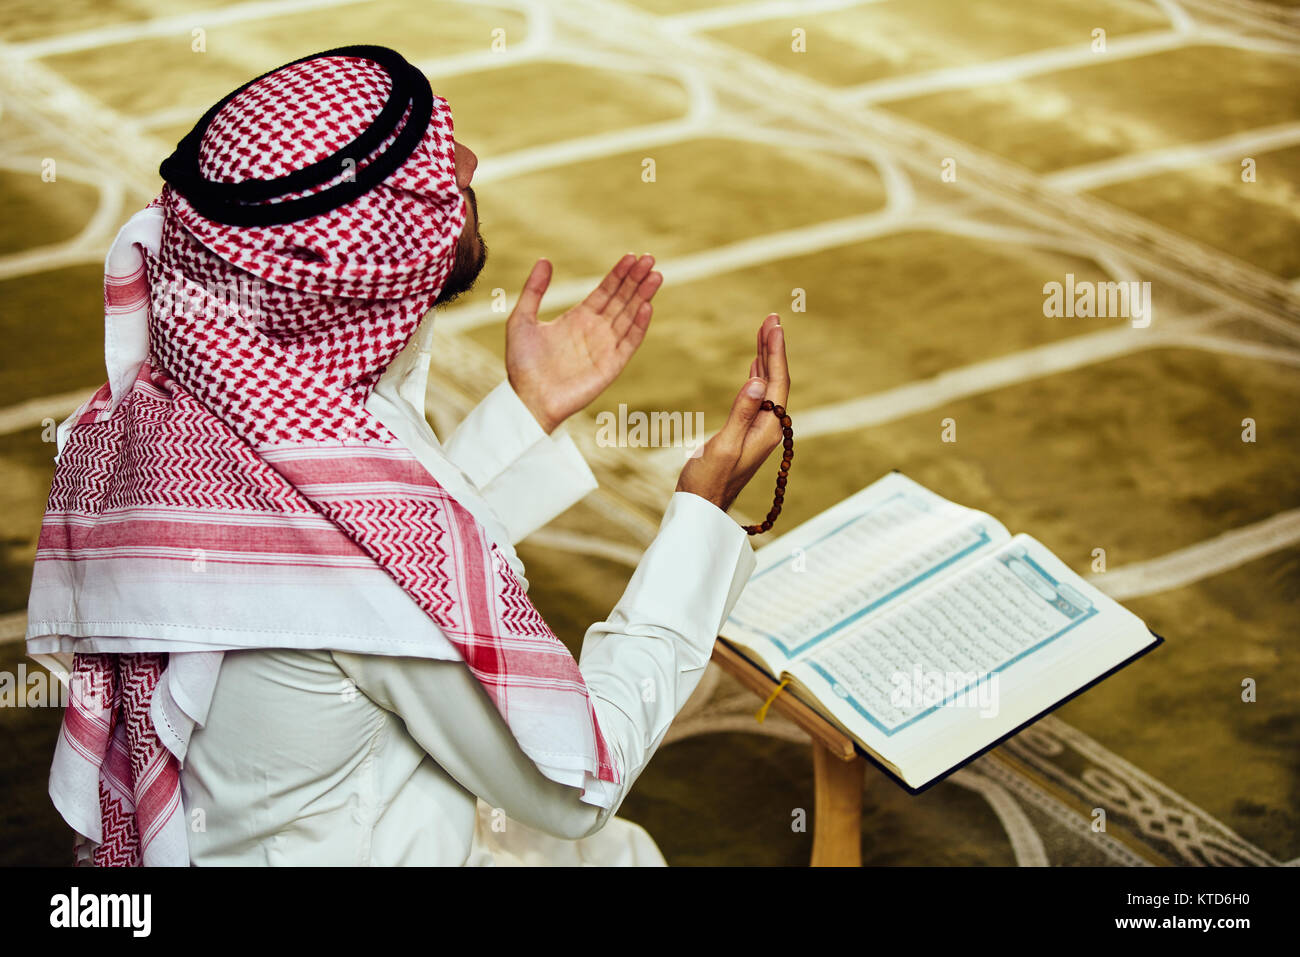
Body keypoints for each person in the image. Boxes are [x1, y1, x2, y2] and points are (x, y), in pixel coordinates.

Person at [26, 45, 790, 866]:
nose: (467, 163)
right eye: (434, 174)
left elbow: (390, 531)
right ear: (368, 261)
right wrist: (700, 522)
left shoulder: (171, 418)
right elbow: (571, 779)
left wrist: (527, 414)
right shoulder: (356, 559)